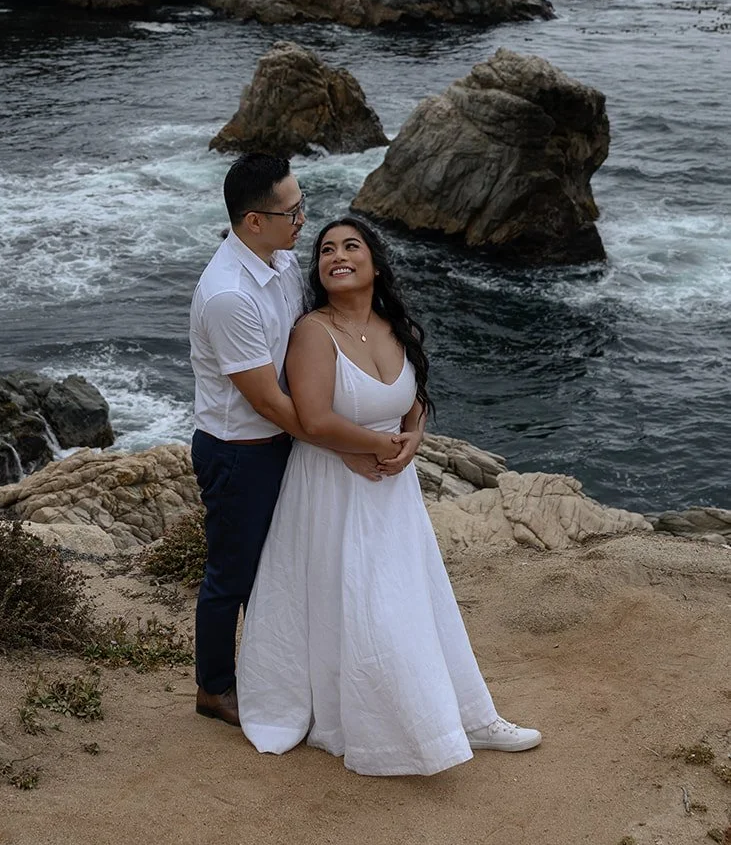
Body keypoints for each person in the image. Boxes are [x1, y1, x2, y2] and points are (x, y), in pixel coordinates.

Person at [236, 215, 542, 774]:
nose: (337, 256)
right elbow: (314, 418)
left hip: (392, 494)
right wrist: (379, 444)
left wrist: (414, 439)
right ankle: (387, 730)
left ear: (375, 263)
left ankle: (468, 716)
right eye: (326, 250)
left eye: (351, 246)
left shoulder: (397, 328)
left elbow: (413, 400)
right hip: (332, 490)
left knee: (414, 602)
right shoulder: (313, 333)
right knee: (366, 609)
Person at [189, 157, 407, 728]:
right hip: (240, 450)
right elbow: (266, 399)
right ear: (254, 221)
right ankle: (214, 687)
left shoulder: (280, 259)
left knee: (283, 566)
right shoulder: (228, 295)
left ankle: (283, 673)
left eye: (301, 203)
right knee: (233, 574)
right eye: (292, 211)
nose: (303, 219)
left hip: (288, 438)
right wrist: (342, 444)